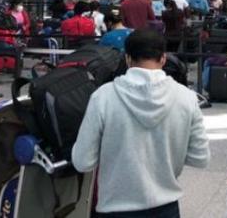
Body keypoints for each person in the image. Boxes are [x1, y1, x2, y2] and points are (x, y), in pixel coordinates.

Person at [72, 31, 210, 218]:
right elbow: (201, 157)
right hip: (166, 208)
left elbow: (83, 162)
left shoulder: (103, 96)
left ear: (127, 59)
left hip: (115, 208)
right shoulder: (186, 97)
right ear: (163, 58)